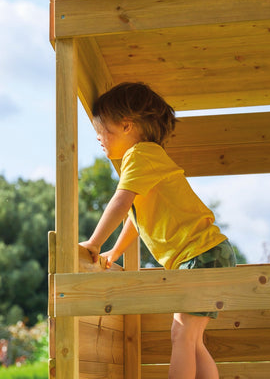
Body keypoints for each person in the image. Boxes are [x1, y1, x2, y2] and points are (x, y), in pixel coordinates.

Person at [80, 82, 236, 379]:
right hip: (209, 254)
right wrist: (116, 249)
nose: (98, 138)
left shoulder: (140, 155)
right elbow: (136, 218)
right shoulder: (146, 159)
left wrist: (95, 242)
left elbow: (121, 201)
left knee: (181, 336)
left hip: (200, 254)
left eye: (103, 130)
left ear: (126, 126)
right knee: (192, 341)